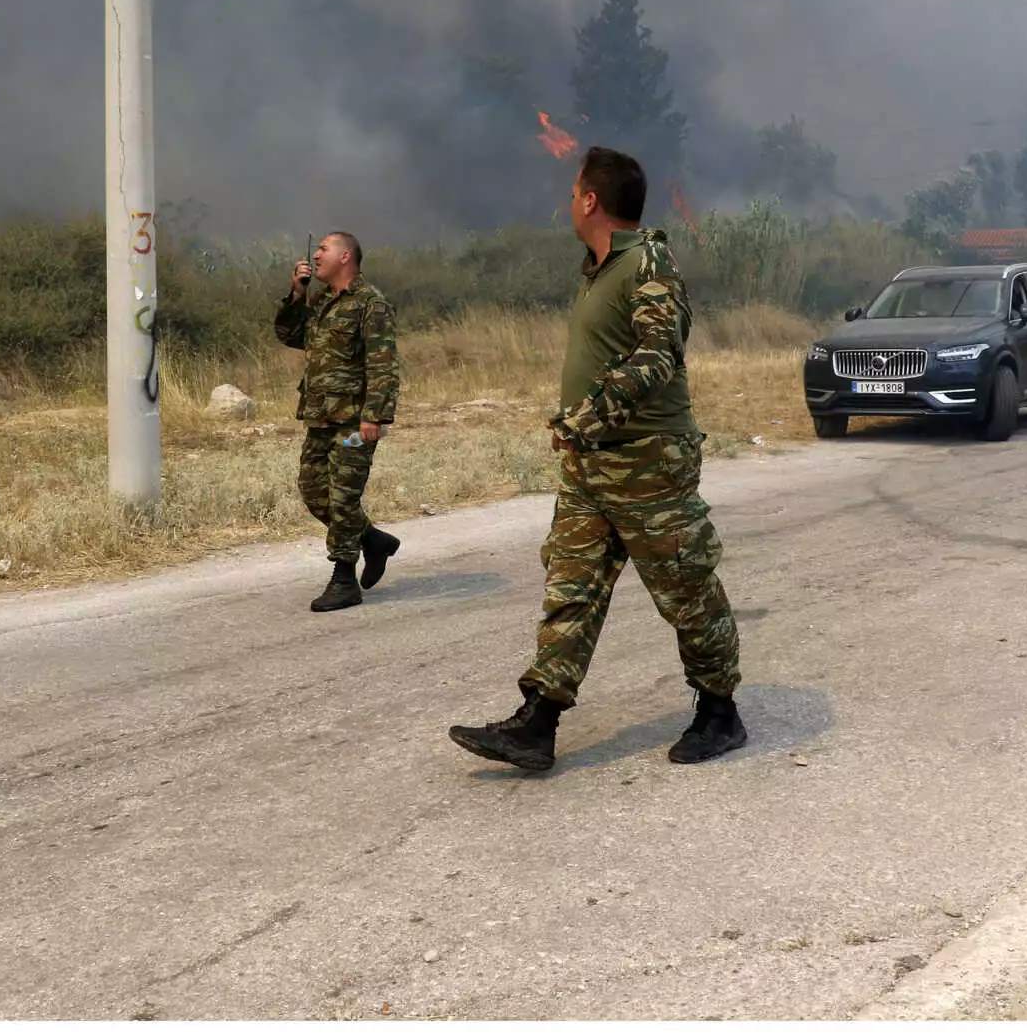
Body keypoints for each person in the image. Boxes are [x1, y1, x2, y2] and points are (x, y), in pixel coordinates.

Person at [449, 146, 744, 773]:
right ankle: (538, 720)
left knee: (685, 588)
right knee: (571, 588)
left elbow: (658, 355)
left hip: (647, 462)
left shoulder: (649, 261)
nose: (567, 201)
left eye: (572, 191)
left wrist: (588, 414)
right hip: (592, 467)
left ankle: (720, 711)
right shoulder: (598, 269)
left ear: (590, 200)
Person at [274, 231, 400, 611]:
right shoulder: (321, 302)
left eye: (324, 249)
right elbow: (289, 334)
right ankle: (373, 540)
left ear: (346, 257)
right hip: (320, 416)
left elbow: (383, 366)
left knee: (344, 497)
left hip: (353, 423)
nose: (316, 255)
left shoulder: (370, 304)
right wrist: (296, 294)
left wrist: (374, 416)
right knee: (313, 490)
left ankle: (344, 578)